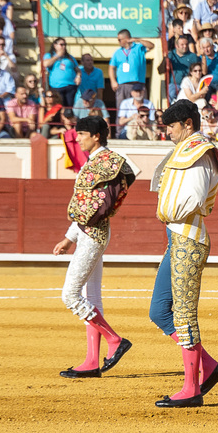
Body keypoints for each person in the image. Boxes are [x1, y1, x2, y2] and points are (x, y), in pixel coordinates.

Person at [148, 101, 218, 408]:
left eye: (172, 126)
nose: (168, 132)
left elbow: (193, 197)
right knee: (159, 310)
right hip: (177, 237)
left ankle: (191, 388)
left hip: (188, 237)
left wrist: (167, 214)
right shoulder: (187, 150)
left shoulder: (199, 152)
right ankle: (209, 367)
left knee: (183, 314)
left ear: (187, 124)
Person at [54, 115, 136, 379]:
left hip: (93, 235)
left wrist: (75, 235)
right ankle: (91, 362)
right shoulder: (97, 162)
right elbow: (89, 209)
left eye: (82, 134)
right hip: (91, 233)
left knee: (70, 295)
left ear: (96, 136)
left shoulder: (105, 162)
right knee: (91, 298)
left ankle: (114, 340)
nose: (77, 139)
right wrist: (69, 238)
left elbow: (96, 208)